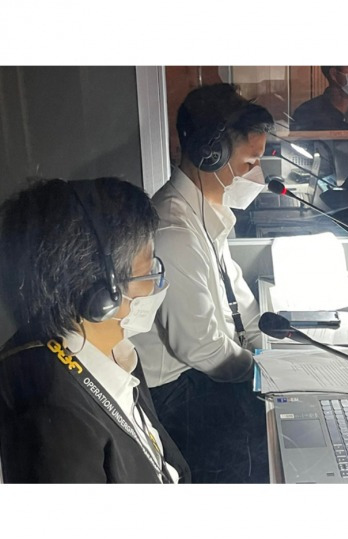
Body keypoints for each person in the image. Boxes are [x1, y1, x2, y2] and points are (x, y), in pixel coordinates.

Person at [0, 177, 190, 483]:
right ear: (103, 295)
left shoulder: (116, 354)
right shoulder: (55, 424)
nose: (157, 285)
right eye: (149, 272)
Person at [132, 83, 275, 483]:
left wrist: (272, 349)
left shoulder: (204, 213)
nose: (257, 175)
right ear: (212, 155)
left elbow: (239, 304)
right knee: (265, 451)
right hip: (178, 394)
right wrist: (264, 371)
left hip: (206, 373)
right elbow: (200, 346)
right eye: (250, 162)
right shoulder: (174, 231)